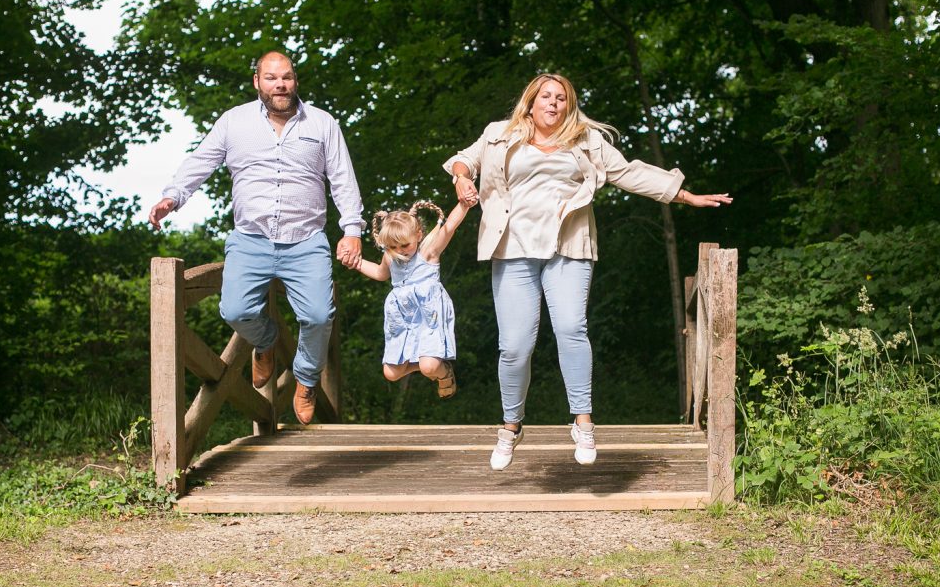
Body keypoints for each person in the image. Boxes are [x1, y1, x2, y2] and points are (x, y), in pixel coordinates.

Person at [443, 73, 732, 471]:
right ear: (530, 101)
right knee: (514, 347)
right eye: (545, 96)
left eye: (561, 98)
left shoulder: (587, 141)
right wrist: (461, 177)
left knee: (571, 329)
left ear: (569, 104)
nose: (553, 103)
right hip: (511, 250)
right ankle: (511, 426)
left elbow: (631, 172)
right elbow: (465, 159)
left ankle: (582, 421)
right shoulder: (499, 134)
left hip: (569, 248)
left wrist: (684, 195)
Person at [148, 51, 364, 425]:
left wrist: (352, 230)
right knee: (234, 310)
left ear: (295, 81)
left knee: (317, 315)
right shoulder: (234, 122)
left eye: (287, 77)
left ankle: (307, 378)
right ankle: (264, 344)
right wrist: (174, 196)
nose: (280, 84)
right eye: (271, 78)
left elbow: (343, 179)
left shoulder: (323, 124)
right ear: (257, 82)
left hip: (306, 240)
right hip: (251, 239)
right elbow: (201, 161)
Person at [346, 201, 470, 398]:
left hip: (428, 315)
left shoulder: (427, 252)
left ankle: (444, 370)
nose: (401, 250)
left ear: (418, 235)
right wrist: (356, 263)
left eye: (405, 245)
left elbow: (449, 227)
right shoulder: (390, 256)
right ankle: (424, 363)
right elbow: (380, 273)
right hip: (402, 318)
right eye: (393, 247)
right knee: (391, 373)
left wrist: (464, 205)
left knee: (429, 367)